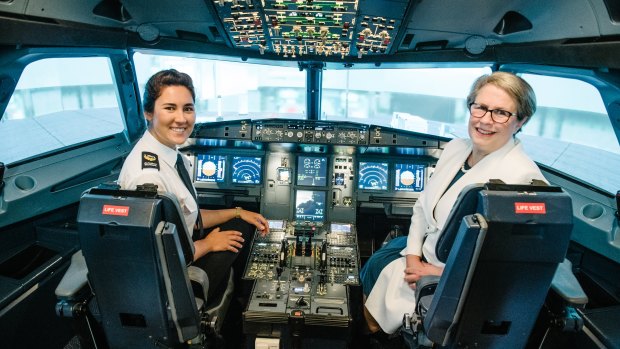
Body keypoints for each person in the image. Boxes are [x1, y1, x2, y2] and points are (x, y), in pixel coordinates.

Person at [359, 71, 547, 336]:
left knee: (374, 311)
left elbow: (510, 267)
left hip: (450, 278)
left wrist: (438, 271)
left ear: (521, 121)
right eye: (480, 107)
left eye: (501, 113)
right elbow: (423, 207)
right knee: (372, 266)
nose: (485, 120)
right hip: (423, 252)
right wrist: (412, 255)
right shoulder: (456, 148)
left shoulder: (523, 181)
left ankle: (373, 334)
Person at [118, 69, 269, 301]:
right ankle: (232, 312)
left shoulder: (170, 155)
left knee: (244, 222)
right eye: (170, 108)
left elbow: (188, 216)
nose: (181, 118)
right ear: (148, 112)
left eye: (187, 108)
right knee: (242, 235)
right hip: (170, 280)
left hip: (182, 247)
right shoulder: (147, 178)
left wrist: (238, 211)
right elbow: (157, 257)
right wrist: (208, 244)